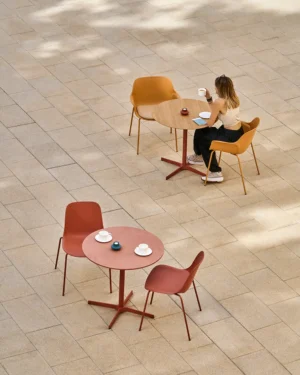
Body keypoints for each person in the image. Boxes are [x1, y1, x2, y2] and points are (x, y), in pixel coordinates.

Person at [187, 75, 243, 183]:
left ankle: (215, 172)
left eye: (216, 86)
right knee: (201, 131)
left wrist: (199, 121)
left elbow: (211, 123)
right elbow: (218, 111)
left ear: (219, 88)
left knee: (205, 140)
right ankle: (198, 156)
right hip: (238, 132)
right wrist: (208, 98)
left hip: (229, 136)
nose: (215, 89)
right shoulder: (234, 98)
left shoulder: (219, 102)